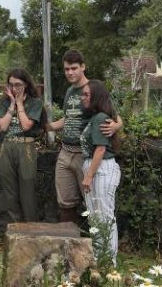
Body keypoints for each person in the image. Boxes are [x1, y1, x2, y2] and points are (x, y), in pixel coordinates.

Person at [48, 50, 122, 224]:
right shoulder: (69, 91)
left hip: (86, 154)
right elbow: (68, 118)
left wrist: (117, 125)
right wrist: (47, 126)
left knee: (93, 202)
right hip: (65, 152)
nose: (70, 72)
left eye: (74, 68)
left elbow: (114, 116)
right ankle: (70, 244)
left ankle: (98, 245)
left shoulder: (93, 89)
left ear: (83, 67)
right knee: (65, 202)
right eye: (66, 69)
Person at [80, 80, 122, 265]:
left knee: (105, 215)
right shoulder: (96, 116)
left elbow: (100, 149)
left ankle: (109, 262)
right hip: (96, 168)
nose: (83, 98)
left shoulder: (100, 118)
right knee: (95, 216)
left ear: (96, 96)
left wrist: (88, 176)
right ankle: (99, 257)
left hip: (102, 169)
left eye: (86, 94)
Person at [0, 68, 45, 222]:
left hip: (26, 147)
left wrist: (20, 104)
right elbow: (3, 127)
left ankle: (31, 228)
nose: (14, 88)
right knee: (9, 191)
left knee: (27, 190)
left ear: (26, 84)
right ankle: (15, 229)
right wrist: (12, 105)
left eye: (18, 84)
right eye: (11, 85)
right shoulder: (4, 102)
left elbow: (25, 126)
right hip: (8, 146)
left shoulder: (35, 102)